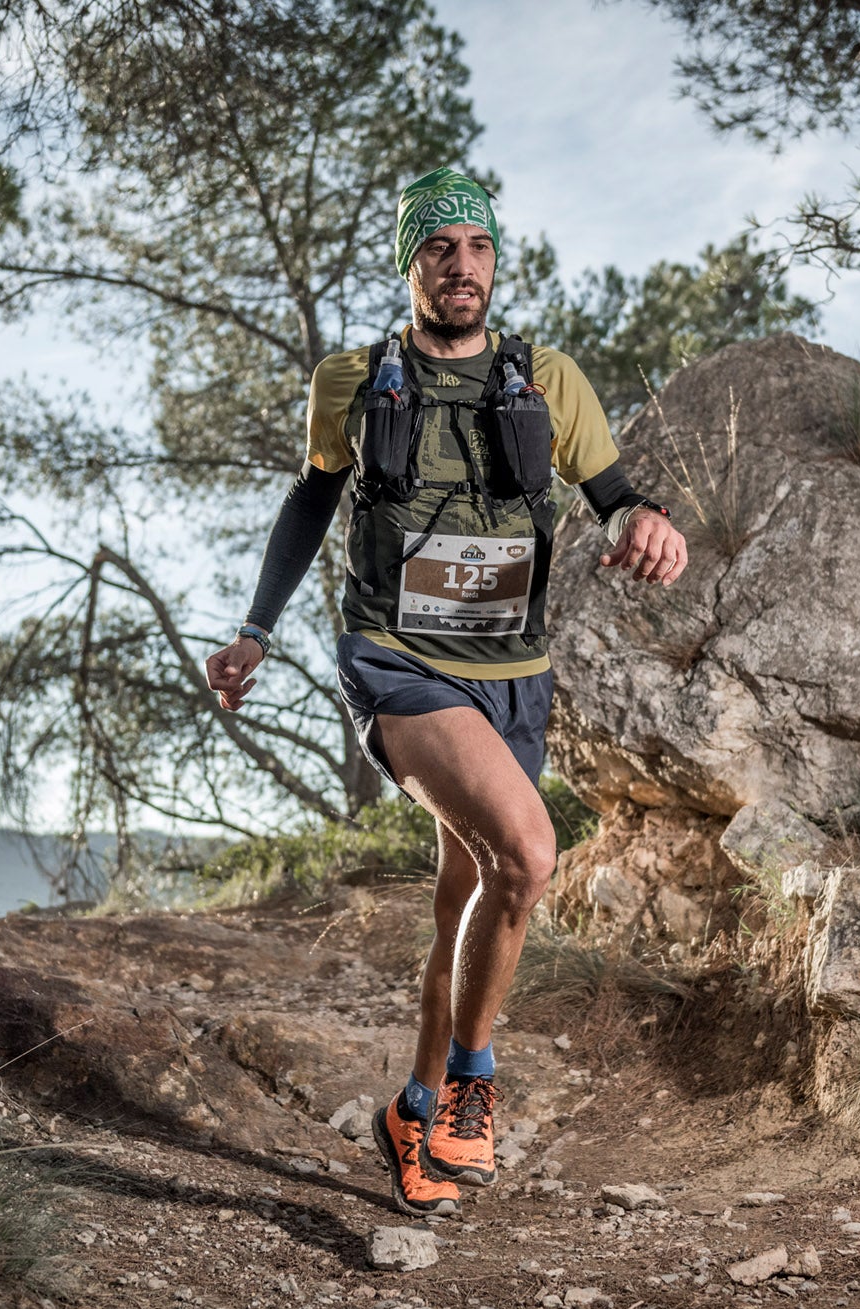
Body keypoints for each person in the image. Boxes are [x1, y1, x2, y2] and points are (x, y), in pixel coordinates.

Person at [203, 168, 687, 1216]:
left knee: (463, 902)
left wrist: (647, 525)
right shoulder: (353, 379)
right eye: (437, 248)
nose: (459, 263)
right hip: (395, 658)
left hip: (513, 674)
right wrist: (252, 631)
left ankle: (409, 1109)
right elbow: (308, 504)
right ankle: (473, 1084)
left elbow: (616, 498)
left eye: (475, 246)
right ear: (410, 263)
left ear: (495, 262)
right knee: (527, 851)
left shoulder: (546, 380)